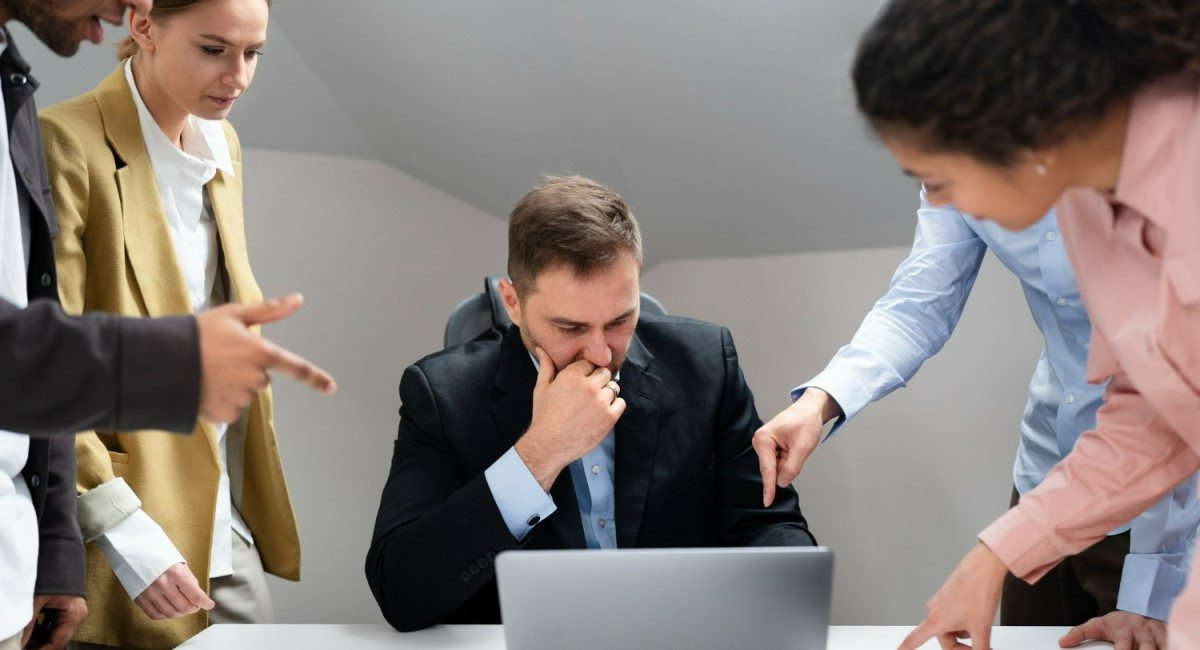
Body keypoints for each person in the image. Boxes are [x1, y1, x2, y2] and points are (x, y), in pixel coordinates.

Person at [847, 1, 1200, 648]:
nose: (939, 204)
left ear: (1022, 131)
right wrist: (994, 557)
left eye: (938, 178)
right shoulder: (1088, 202)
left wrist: (1173, 613)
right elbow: (1155, 411)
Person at [0, 2, 334, 649]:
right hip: (123, 514)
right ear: (144, 27)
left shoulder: (223, 148)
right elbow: (48, 358)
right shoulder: (64, 143)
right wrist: (125, 530)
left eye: (253, 54)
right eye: (214, 49)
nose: (237, 75)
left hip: (219, 512)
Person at [365, 175, 815, 632]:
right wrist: (541, 452)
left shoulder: (706, 366)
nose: (601, 354)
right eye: (570, 327)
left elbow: (767, 525)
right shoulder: (441, 394)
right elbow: (401, 592)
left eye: (620, 320)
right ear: (513, 302)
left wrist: (783, 611)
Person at [752, 192, 1198, 648]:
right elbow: (919, 302)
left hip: (1165, 500)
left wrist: (1154, 588)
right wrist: (819, 401)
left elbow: (1167, 402)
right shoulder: (952, 153)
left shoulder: (1158, 165)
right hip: (1048, 467)